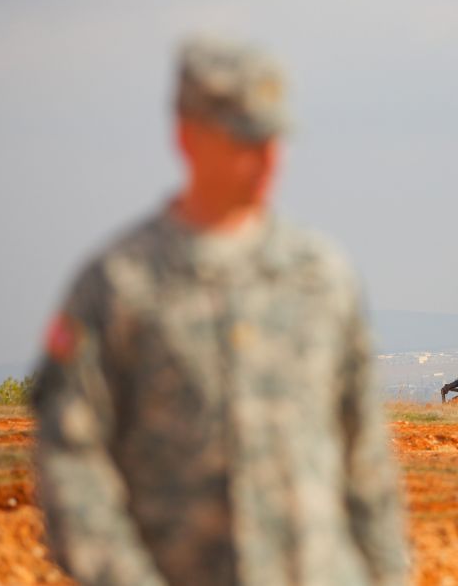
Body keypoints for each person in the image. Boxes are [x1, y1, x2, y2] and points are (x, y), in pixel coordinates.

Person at [33, 36, 408, 585]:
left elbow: (365, 461)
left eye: (273, 138)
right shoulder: (119, 287)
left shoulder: (321, 278)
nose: (267, 159)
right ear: (186, 136)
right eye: (244, 139)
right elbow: (70, 461)